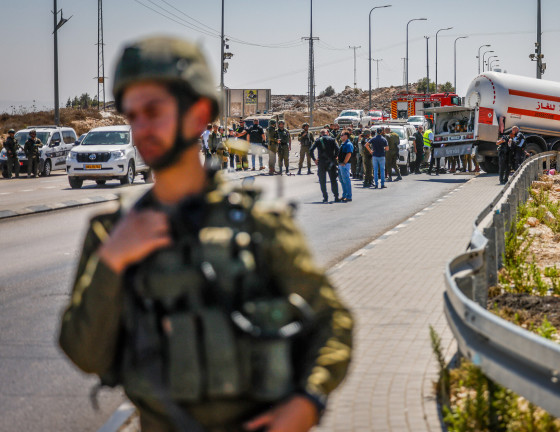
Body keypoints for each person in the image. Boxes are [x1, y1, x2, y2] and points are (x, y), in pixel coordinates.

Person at [58, 36, 352, 432]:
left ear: (198, 115)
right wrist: (113, 260)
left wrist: (308, 401)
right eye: (132, 115)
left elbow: (332, 321)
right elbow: (84, 352)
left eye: (154, 111)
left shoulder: (257, 223)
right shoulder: (113, 232)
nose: (141, 128)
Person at [309, 129, 340, 203]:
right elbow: (338, 149)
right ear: (328, 133)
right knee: (333, 180)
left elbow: (311, 150)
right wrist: (335, 157)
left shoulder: (318, 140)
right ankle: (336, 197)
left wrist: (314, 160)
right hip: (331, 162)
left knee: (322, 181)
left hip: (321, 163)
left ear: (321, 134)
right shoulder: (332, 140)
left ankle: (325, 197)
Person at [337, 131, 354, 202]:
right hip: (341, 164)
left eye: (342, 135)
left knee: (346, 180)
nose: (340, 136)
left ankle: (348, 196)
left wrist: (344, 162)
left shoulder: (348, 144)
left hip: (345, 164)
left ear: (346, 136)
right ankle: (344, 195)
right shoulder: (343, 144)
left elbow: (349, 154)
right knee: (341, 180)